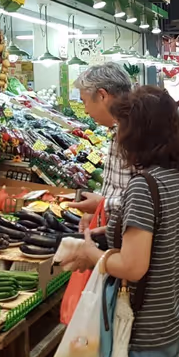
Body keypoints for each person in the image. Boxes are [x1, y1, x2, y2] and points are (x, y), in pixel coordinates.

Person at [63, 86, 179, 357]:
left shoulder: (144, 185)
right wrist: (111, 230)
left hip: (145, 332)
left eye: (123, 126)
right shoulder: (178, 173)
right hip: (173, 320)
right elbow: (161, 234)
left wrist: (92, 255)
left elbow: (132, 267)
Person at [68, 63, 133, 232]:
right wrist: (99, 210)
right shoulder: (119, 130)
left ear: (102, 95)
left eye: (85, 102)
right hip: (115, 230)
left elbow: (147, 201)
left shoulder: (134, 136)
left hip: (133, 243)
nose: (86, 111)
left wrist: (102, 205)